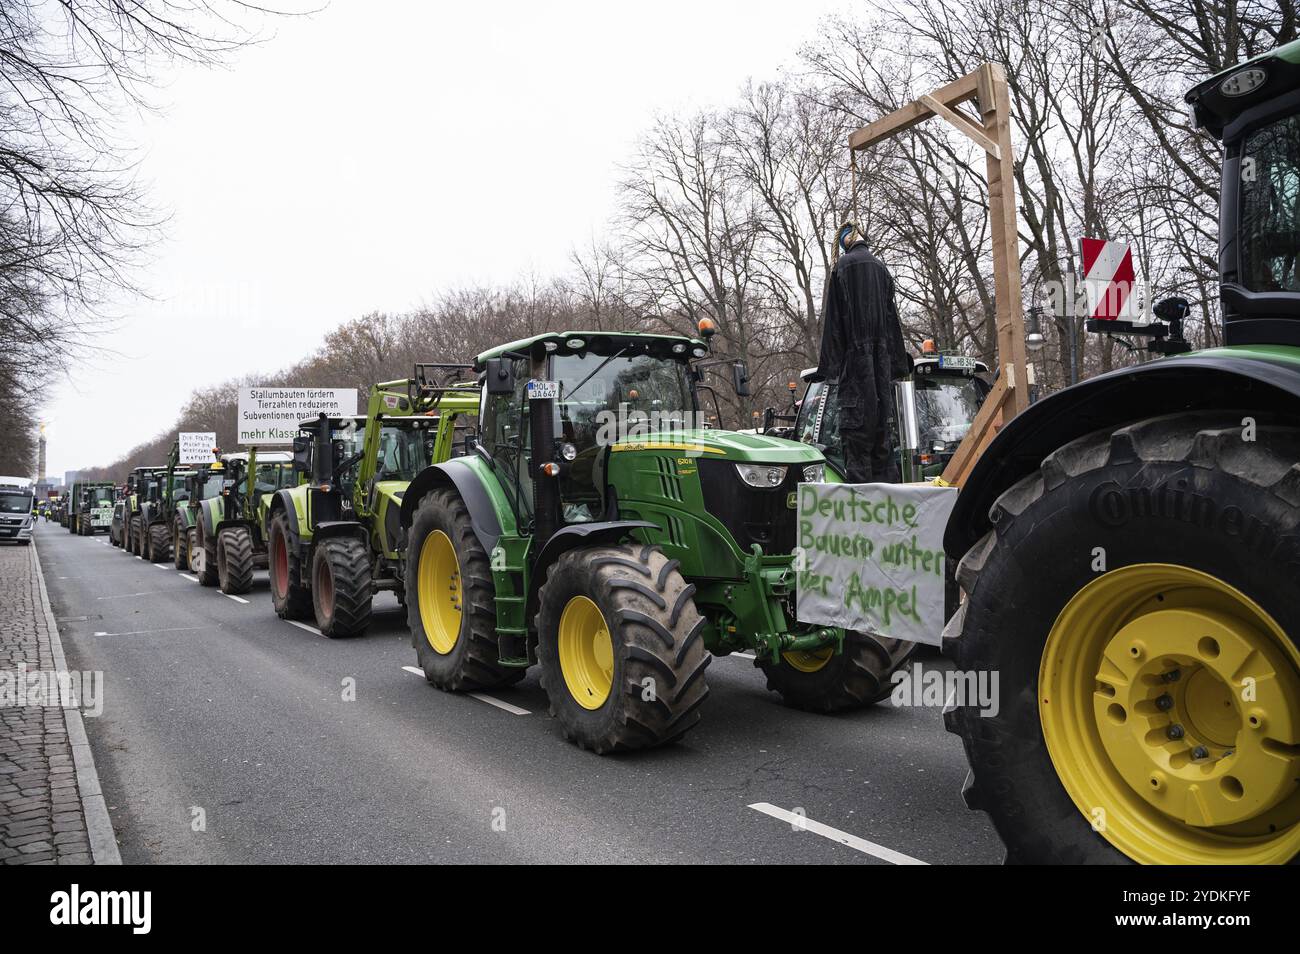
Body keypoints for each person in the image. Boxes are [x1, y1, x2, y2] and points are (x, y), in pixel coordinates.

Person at [816, 224, 912, 483]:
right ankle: (887, 510)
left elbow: (833, 325)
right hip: (882, 375)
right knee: (882, 446)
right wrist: (896, 365)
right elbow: (892, 323)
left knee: (857, 448)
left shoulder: (842, 269)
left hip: (856, 374)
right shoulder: (882, 270)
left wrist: (829, 369)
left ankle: (862, 515)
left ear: (845, 242)